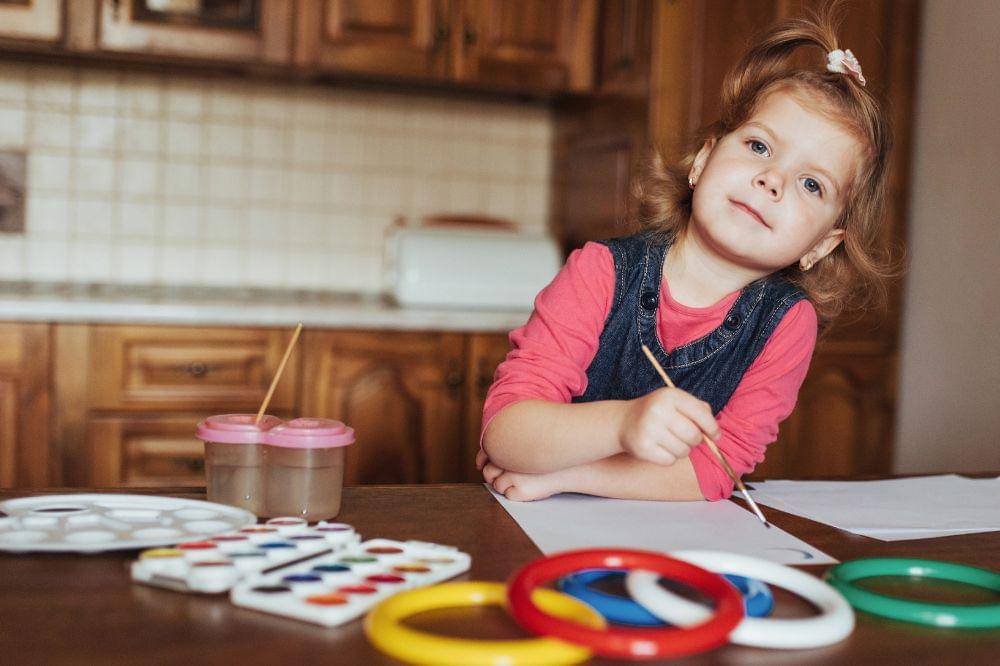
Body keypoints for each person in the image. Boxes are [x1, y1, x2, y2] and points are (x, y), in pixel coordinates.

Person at [478, 4, 896, 502]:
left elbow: (719, 471)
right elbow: (505, 433)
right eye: (760, 147)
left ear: (820, 245)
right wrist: (622, 425)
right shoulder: (601, 271)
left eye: (811, 183)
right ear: (703, 161)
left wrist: (568, 478)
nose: (773, 180)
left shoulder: (788, 323)